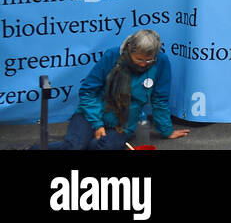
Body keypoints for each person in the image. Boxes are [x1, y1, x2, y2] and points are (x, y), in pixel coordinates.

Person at [44, 29, 189, 150]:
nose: (144, 64)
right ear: (129, 49)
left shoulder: (161, 62)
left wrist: (166, 131)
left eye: (149, 60)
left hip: (123, 123)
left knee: (101, 147)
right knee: (75, 147)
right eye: (139, 59)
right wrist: (97, 124)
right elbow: (88, 92)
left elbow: (160, 99)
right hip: (91, 115)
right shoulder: (112, 56)